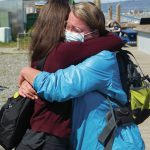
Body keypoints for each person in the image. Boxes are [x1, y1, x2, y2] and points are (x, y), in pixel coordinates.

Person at [18, 2, 145, 150]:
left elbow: (57, 87)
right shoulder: (82, 54)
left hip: (114, 142)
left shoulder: (101, 61)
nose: (68, 33)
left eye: (76, 29)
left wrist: (26, 71)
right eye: (67, 26)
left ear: (95, 34)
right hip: (97, 139)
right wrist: (28, 81)